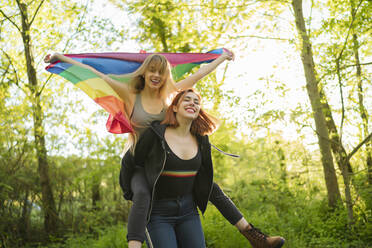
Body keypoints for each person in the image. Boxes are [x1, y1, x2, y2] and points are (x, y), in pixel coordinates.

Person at [44, 51, 284, 248]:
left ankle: (253, 235)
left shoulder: (170, 94)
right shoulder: (130, 93)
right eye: (152, 70)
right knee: (143, 196)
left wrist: (221, 58)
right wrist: (61, 58)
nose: (156, 75)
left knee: (209, 183)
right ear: (145, 72)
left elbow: (198, 75)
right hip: (140, 161)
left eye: (161, 71)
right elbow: (94, 73)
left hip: (165, 158)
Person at [125, 89, 285, 248]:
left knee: (213, 188)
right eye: (187, 100)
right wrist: (133, 193)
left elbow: (206, 182)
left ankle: (256, 238)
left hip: (188, 211)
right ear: (174, 107)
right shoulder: (155, 134)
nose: (192, 103)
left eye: (196, 102)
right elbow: (130, 163)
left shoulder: (201, 140)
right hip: (158, 213)